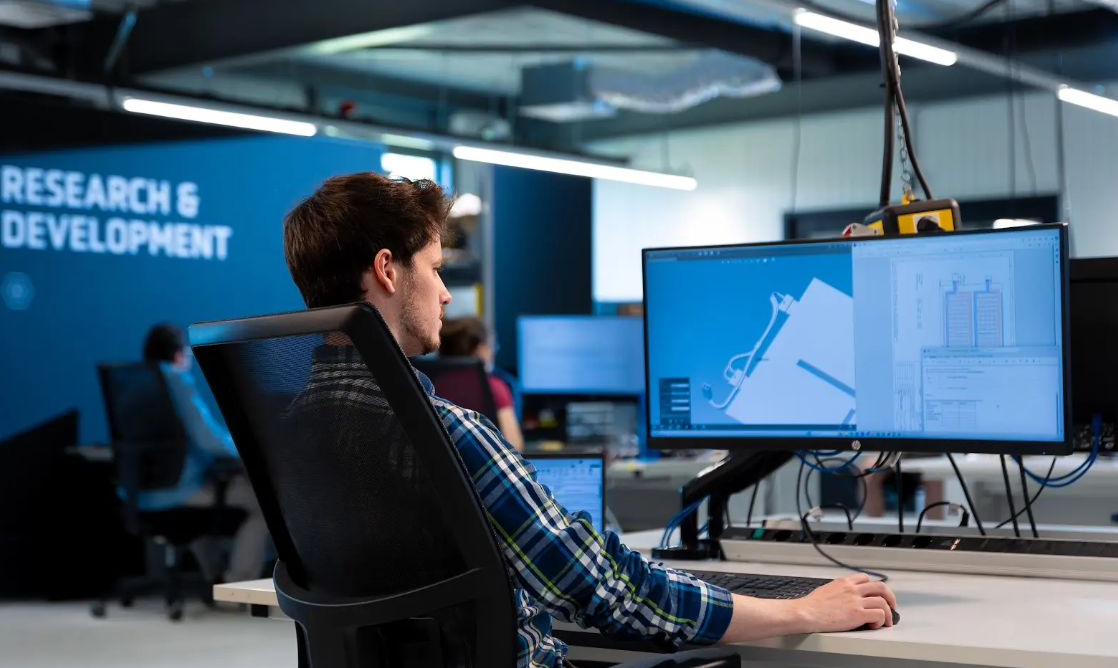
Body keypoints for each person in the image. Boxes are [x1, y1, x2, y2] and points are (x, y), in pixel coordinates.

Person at [282, 173, 897, 667]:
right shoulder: (444, 435)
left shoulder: (293, 428)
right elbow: (609, 591)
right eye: (437, 268)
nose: (445, 293)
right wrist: (803, 611)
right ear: (388, 271)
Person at [141, 324, 269, 583]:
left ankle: (214, 579)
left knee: (214, 501)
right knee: (264, 503)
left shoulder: (139, 385)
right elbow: (208, 441)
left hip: (141, 495)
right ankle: (235, 585)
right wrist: (250, 447)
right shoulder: (175, 380)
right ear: (178, 355)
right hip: (180, 491)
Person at [439, 316, 524, 452]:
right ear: (481, 349)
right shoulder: (494, 386)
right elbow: (514, 446)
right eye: (492, 345)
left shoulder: (434, 383)